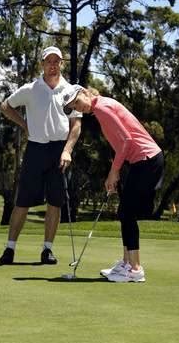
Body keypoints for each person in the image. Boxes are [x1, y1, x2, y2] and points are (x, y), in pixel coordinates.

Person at [62, 85, 164, 283]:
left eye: (77, 101)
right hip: (141, 161)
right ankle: (127, 264)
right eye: (73, 106)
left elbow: (126, 140)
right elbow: (121, 143)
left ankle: (135, 269)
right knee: (125, 212)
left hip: (147, 160)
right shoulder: (101, 107)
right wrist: (115, 171)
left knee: (127, 213)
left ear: (84, 92)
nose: (78, 107)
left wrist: (114, 171)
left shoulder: (102, 108)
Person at [0, 46, 82, 265]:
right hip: (35, 149)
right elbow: (5, 106)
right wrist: (25, 125)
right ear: (42, 64)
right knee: (23, 201)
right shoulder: (31, 89)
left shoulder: (71, 90)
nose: (52, 65)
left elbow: (76, 126)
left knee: (55, 202)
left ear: (61, 63)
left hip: (59, 152)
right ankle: (10, 249)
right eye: (48, 61)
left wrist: (67, 150)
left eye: (56, 61)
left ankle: (47, 250)